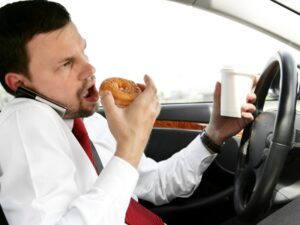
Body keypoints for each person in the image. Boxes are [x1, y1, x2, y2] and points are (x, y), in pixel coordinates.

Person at [0, 1, 257, 225]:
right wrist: (130, 146)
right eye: (67, 64)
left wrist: (214, 134)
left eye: (83, 51)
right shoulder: (26, 119)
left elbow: (155, 183)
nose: (90, 68)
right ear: (19, 83)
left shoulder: (84, 121)